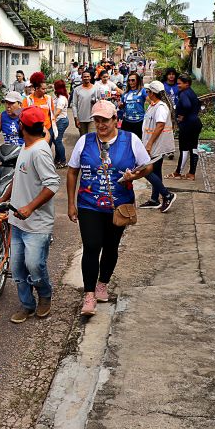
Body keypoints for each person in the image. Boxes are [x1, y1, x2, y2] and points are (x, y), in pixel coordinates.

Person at [66, 101, 152, 316]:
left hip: (119, 205)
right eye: (97, 120)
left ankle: (102, 284)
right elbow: (72, 172)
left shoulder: (130, 140)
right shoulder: (84, 142)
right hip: (89, 204)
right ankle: (88, 295)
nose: (100, 124)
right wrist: (70, 203)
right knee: (92, 246)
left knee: (111, 246)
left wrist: (136, 175)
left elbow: (148, 166)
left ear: (116, 119)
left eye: (105, 119)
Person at [0, 106, 59, 323]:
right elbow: (17, 178)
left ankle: (44, 295)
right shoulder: (25, 148)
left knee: (35, 267)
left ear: (22, 126)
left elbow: (53, 184)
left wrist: (30, 207)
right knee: (18, 269)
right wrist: (3, 198)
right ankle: (27, 305)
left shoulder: (39, 152)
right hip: (17, 221)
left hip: (37, 224)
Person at [138, 81, 177, 212]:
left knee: (145, 170)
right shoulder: (153, 106)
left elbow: (160, 126)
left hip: (156, 145)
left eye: (148, 91)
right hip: (153, 144)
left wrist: (149, 144)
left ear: (152, 93)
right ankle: (155, 199)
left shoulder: (160, 107)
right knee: (155, 171)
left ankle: (167, 194)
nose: (146, 94)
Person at [170, 74, 202, 180]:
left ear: (187, 84)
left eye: (179, 83)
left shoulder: (183, 94)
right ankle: (191, 173)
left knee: (184, 149)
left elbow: (187, 105)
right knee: (193, 148)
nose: (178, 85)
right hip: (195, 123)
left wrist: (182, 116)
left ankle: (178, 172)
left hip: (187, 125)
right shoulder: (191, 93)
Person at [23, 72, 55, 142]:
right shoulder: (28, 100)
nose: (45, 91)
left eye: (46, 88)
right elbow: (22, 114)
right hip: (34, 132)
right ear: (36, 88)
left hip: (48, 129)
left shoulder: (49, 99)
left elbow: (51, 113)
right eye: (43, 89)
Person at [118, 72, 147, 138]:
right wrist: (120, 105)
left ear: (137, 81)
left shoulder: (142, 91)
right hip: (126, 122)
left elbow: (150, 100)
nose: (131, 82)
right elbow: (121, 107)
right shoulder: (125, 93)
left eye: (133, 80)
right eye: (129, 80)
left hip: (139, 121)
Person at [71, 70, 97, 135]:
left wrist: (95, 101)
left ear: (90, 77)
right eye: (84, 77)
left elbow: (100, 101)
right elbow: (74, 105)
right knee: (83, 138)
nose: (86, 78)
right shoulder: (77, 89)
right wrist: (76, 118)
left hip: (92, 118)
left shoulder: (95, 88)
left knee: (91, 138)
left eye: (88, 76)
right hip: (81, 118)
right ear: (82, 78)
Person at [52, 80, 70, 167]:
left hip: (61, 121)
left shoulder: (62, 99)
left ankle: (63, 161)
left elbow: (58, 111)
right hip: (59, 120)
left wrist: (53, 119)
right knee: (56, 141)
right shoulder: (57, 97)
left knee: (57, 141)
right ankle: (57, 160)